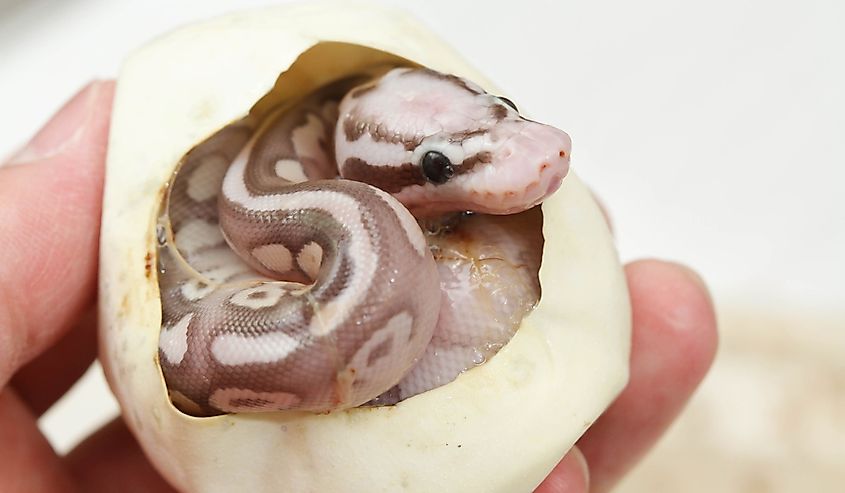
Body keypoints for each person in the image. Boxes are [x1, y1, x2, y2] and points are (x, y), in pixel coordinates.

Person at [0, 82, 717, 493]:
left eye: (499, 110)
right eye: (440, 165)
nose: (538, 156)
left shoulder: (310, 187)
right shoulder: (326, 218)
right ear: (348, 162)